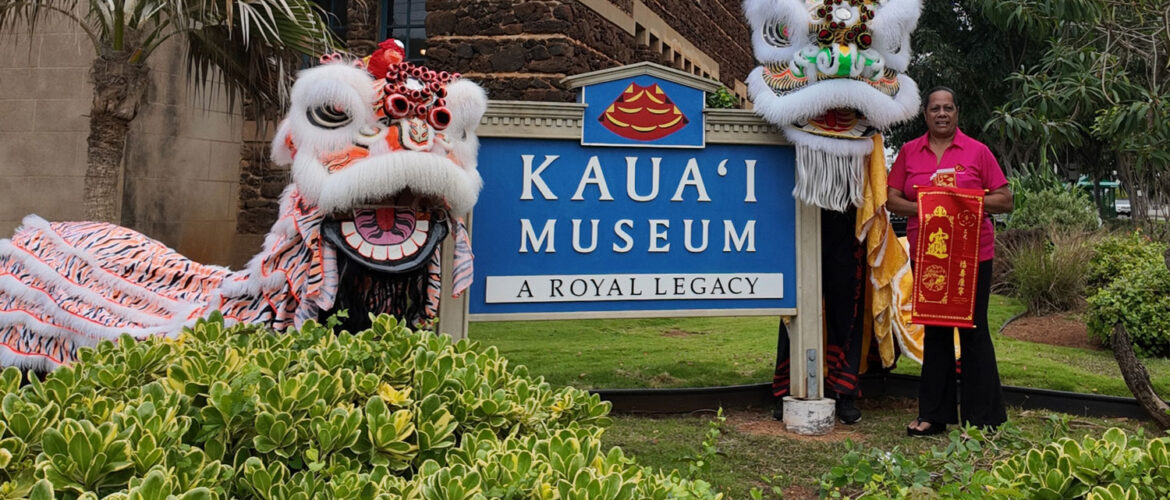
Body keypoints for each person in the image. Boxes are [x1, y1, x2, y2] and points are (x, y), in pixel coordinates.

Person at [886, 87, 1013, 436]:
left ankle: (984, 418)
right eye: (935, 109)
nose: (942, 114)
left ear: (957, 112)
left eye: (948, 108)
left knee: (973, 331)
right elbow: (891, 199)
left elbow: (1005, 199)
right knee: (936, 333)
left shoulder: (978, 152)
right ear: (925, 114)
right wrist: (930, 208)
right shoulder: (910, 153)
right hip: (930, 257)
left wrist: (968, 203)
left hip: (973, 257)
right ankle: (933, 415)